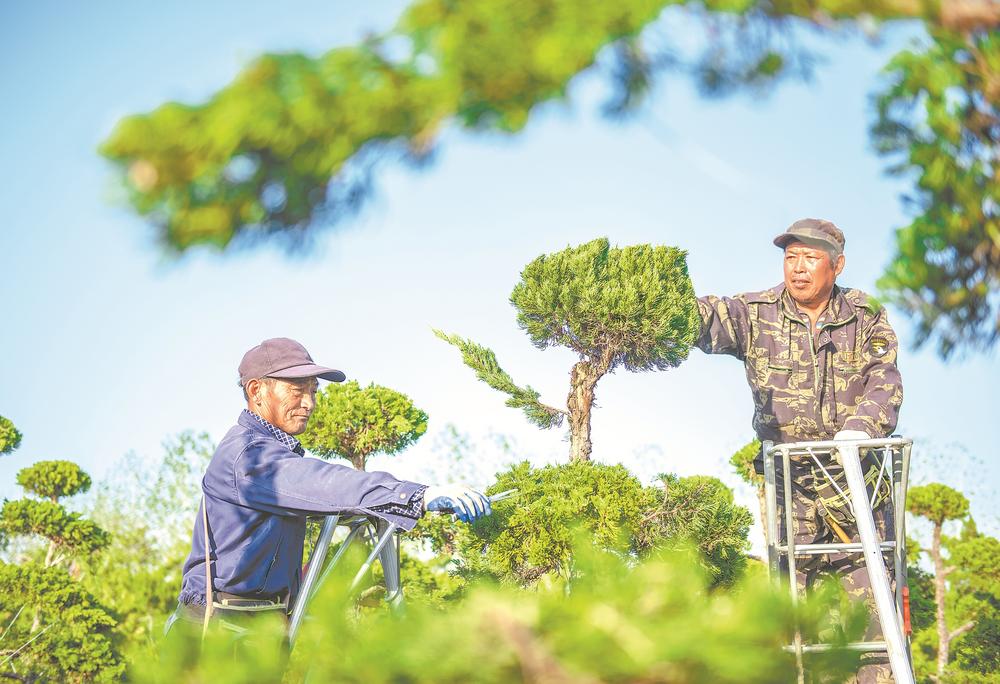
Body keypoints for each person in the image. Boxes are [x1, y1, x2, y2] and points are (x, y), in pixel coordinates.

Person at [166, 337, 492, 633]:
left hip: (252, 628)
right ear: (256, 391)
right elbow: (325, 483)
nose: (309, 402)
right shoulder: (248, 456)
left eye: (313, 391)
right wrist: (418, 495)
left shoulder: (271, 449)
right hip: (216, 631)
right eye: (297, 391)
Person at [697, 219, 903, 683]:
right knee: (797, 614)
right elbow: (704, 318)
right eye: (791, 257)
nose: (798, 268)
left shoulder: (865, 314)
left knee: (869, 614)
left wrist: (859, 430)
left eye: (810, 258)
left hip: (857, 488)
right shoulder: (757, 311)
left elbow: (885, 380)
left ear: (837, 265)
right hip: (790, 488)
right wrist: (658, 300)